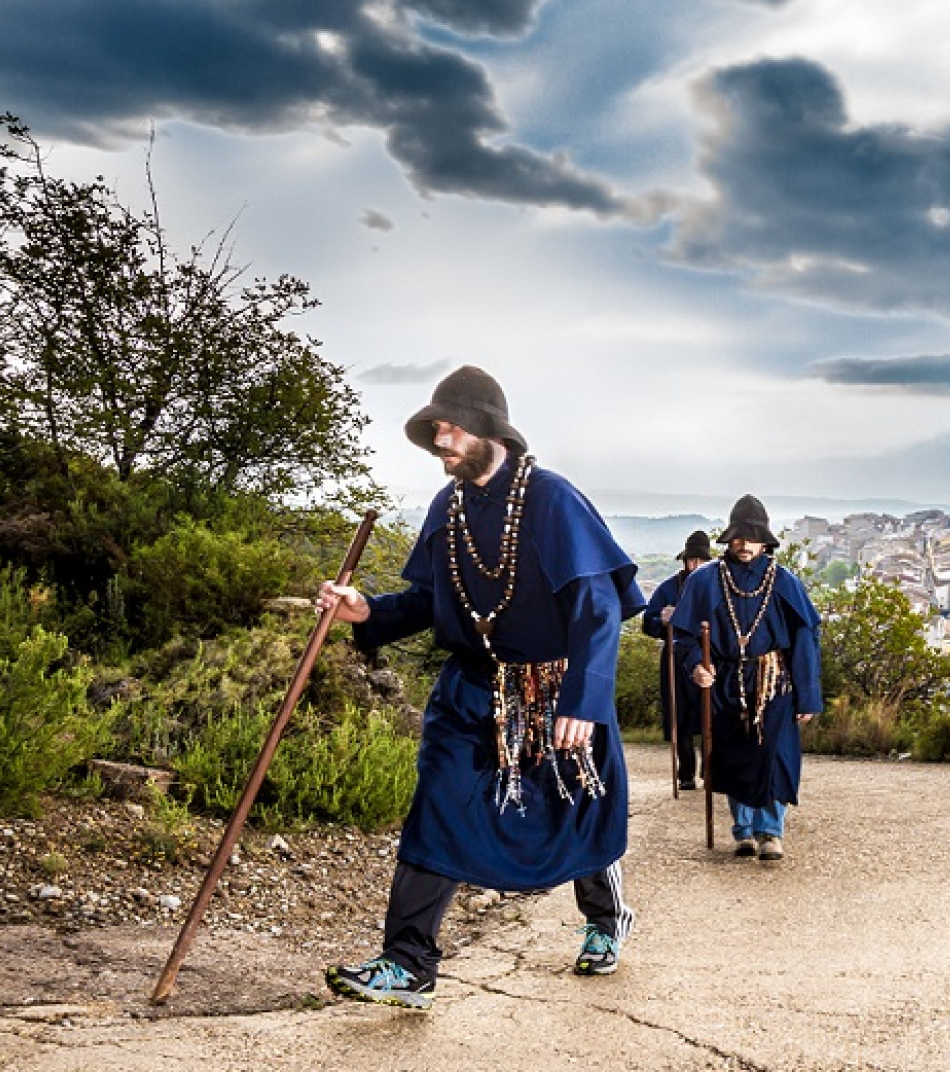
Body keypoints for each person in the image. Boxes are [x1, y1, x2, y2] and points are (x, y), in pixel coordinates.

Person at [314, 365, 646, 1011]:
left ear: (492, 433)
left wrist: (584, 699)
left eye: (453, 428)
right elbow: (427, 600)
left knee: (574, 809)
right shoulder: (449, 507)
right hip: (470, 692)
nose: (442, 439)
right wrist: (366, 611)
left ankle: (605, 922)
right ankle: (408, 964)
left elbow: (598, 608)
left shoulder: (552, 499)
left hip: (552, 688)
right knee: (437, 807)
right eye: (436, 429)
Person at [669, 495, 822, 861]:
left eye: (752, 538)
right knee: (735, 756)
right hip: (726, 683)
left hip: (774, 681)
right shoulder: (705, 580)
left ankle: (771, 832)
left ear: (765, 541)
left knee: (773, 756)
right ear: (729, 539)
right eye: (738, 537)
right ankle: (743, 831)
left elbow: (805, 638)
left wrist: (808, 695)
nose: (744, 545)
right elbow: (684, 636)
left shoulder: (784, 581)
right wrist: (696, 665)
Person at [641, 531, 712, 790]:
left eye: (700, 561)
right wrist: (662, 619)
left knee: (710, 715)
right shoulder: (669, 587)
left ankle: (711, 771)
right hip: (674, 659)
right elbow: (647, 623)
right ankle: (686, 774)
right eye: (691, 560)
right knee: (679, 716)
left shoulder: (715, 585)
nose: (694, 566)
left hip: (707, 658)